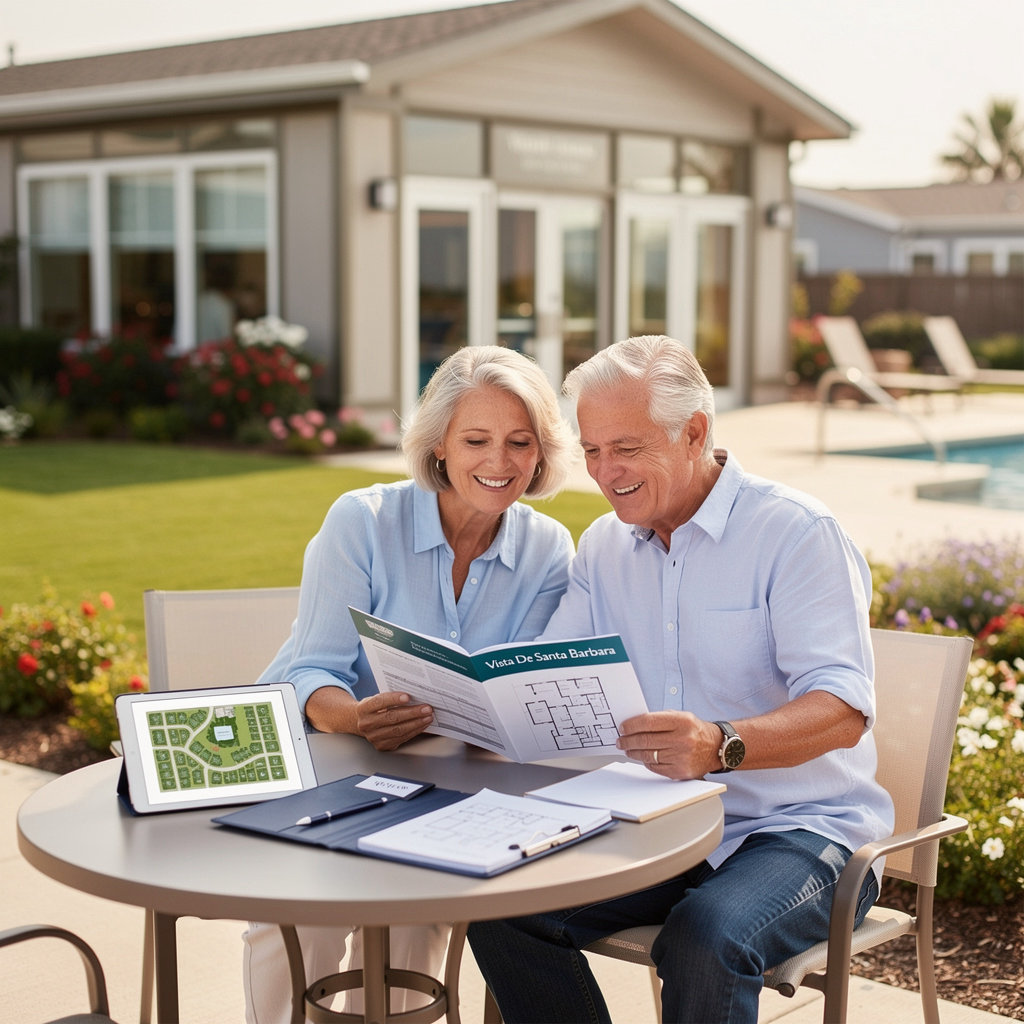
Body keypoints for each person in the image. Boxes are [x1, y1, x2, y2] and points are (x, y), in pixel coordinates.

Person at [467, 335, 895, 1024]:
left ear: (694, 431)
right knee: (505, 912)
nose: (605, 473)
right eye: (593, 450)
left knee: (703, 939)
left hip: (800, 832)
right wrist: (468, 702)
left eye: (627, 448)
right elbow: (546, 676)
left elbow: (843, 709)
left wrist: (720, 743)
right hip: (658, 825)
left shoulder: (795, 534)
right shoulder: (605, 547)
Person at [243, 345, 577, 1023]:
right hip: (333, 771)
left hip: (452, 785)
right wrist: (358, 717)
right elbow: (313, 670)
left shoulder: (548, 551)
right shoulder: (362, 521)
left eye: (520, 442)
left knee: (416, 927)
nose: (499, 462)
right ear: (439, 448)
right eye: (476, 440)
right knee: (299, 925)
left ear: (541, 454)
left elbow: (522, 692)